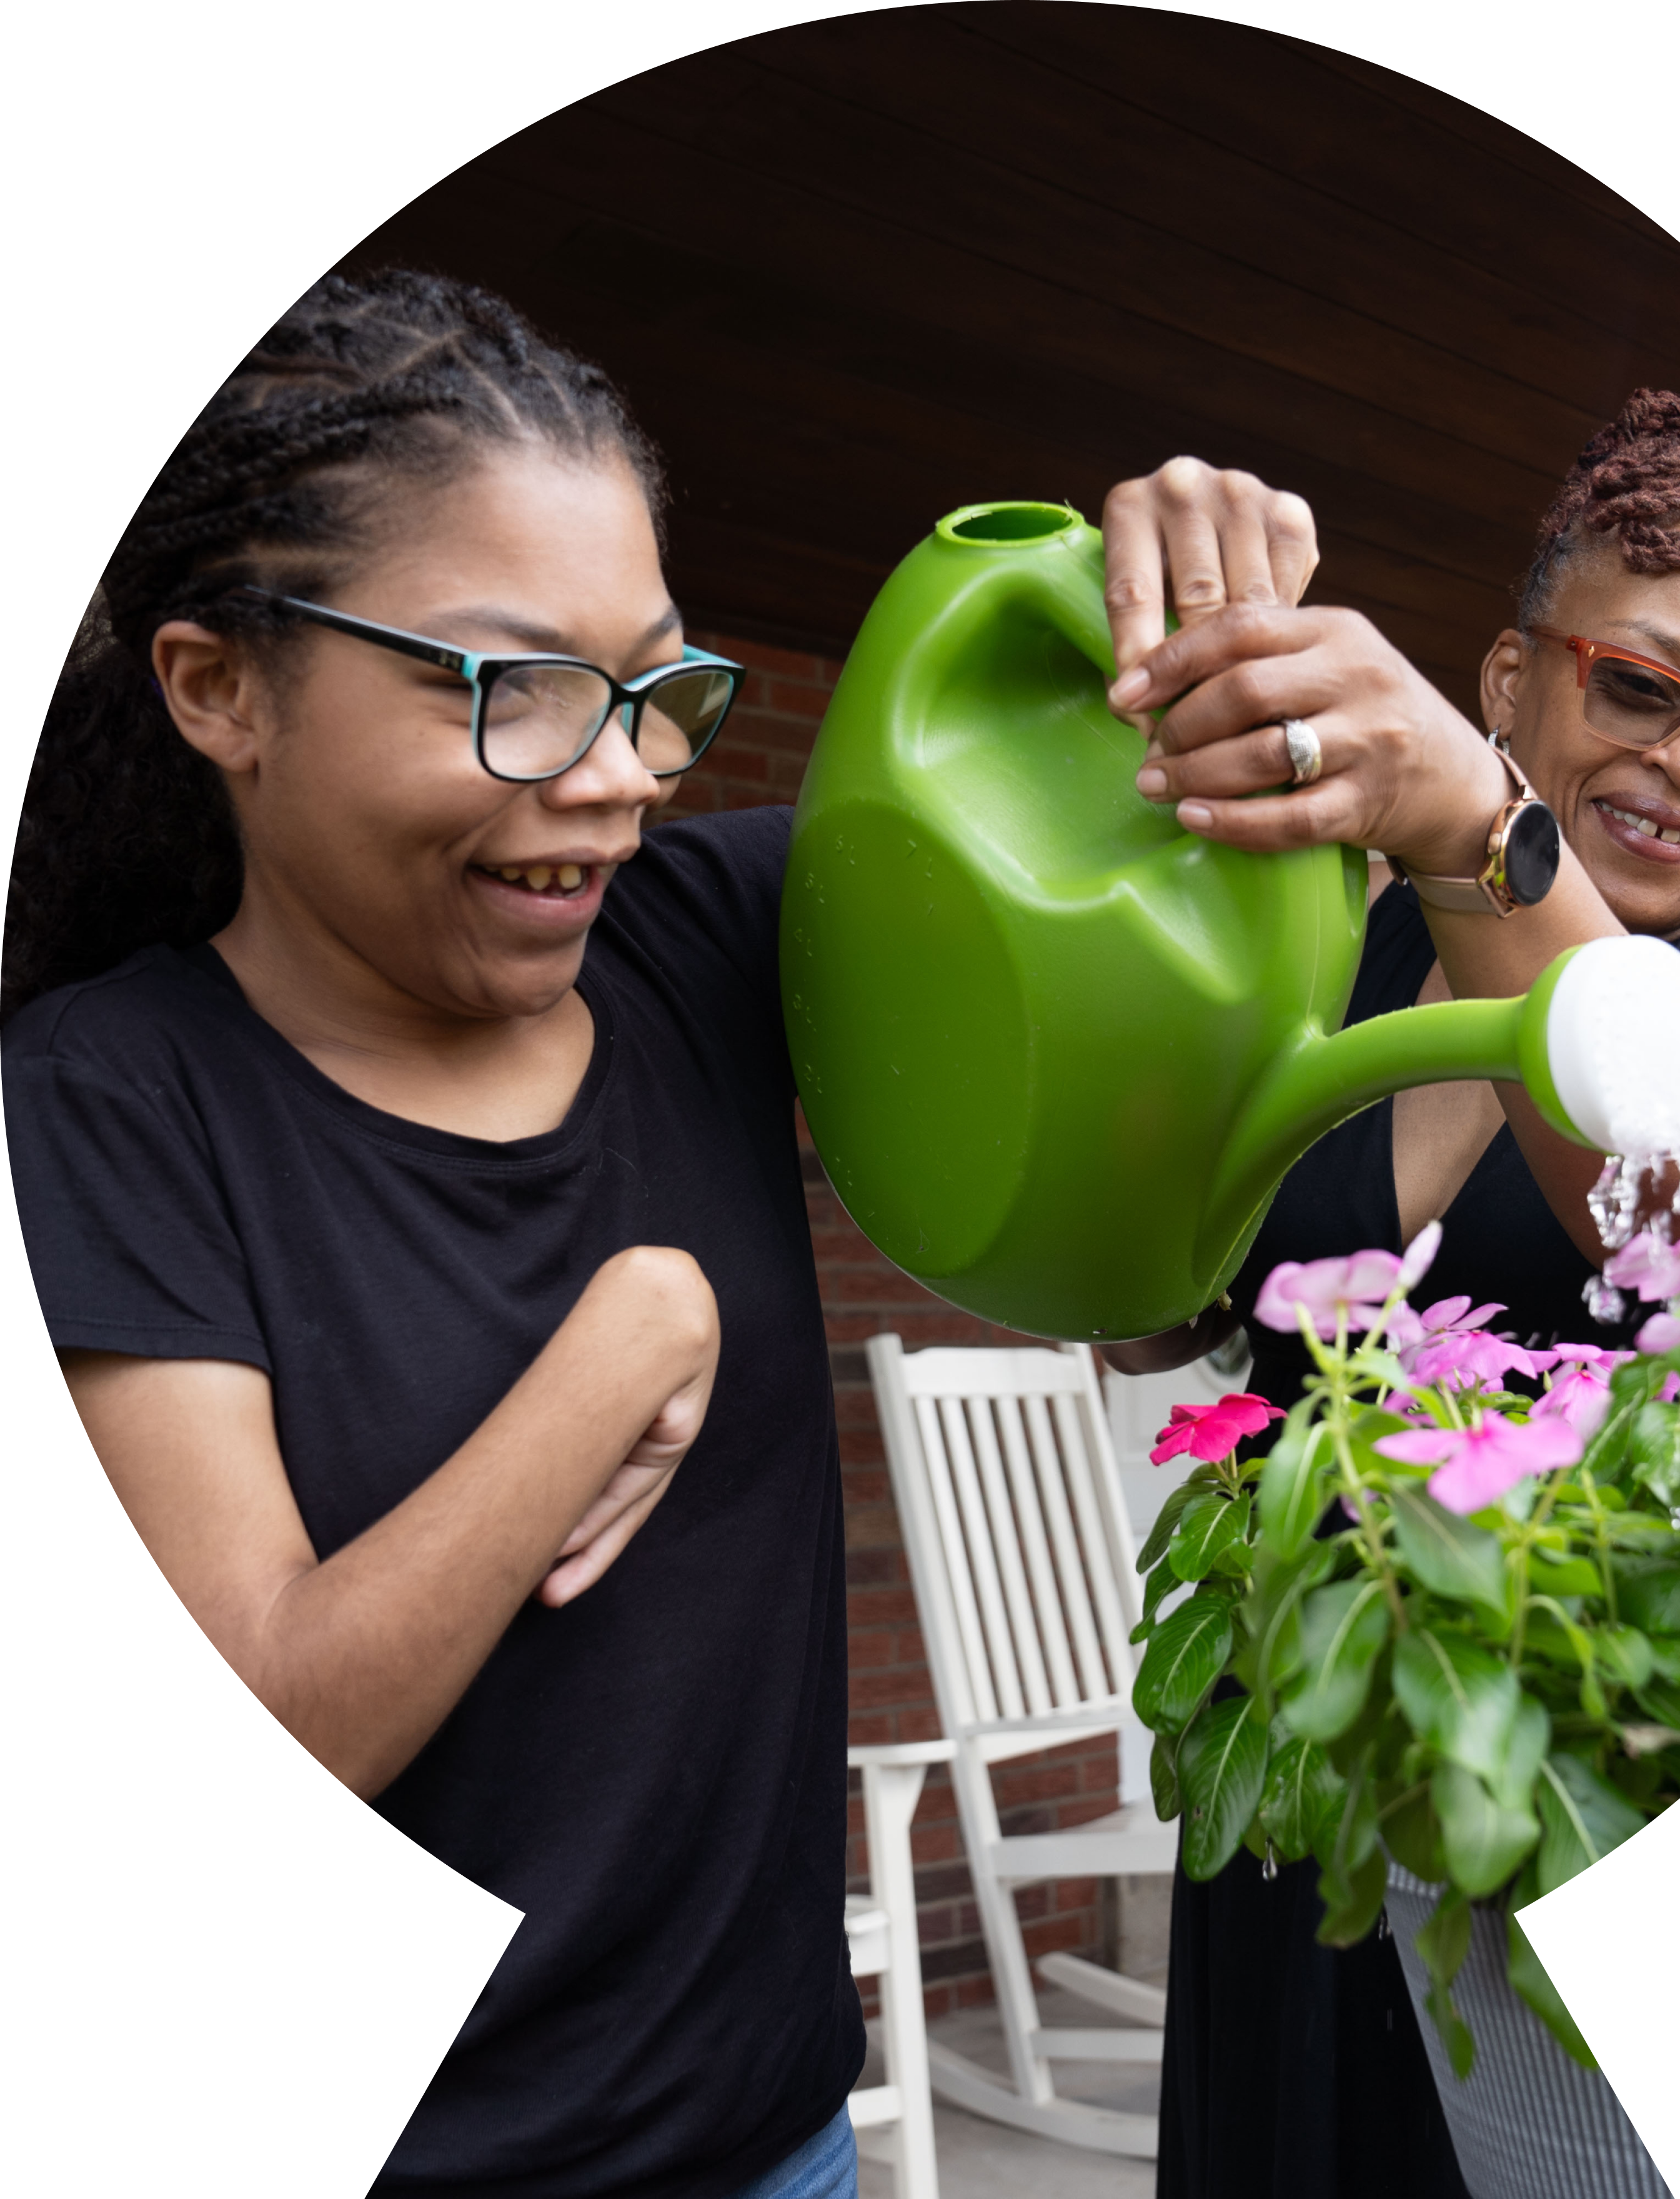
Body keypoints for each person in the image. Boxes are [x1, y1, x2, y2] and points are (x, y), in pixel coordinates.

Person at [1, 269, 1316, 2198]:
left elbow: (1118, 1184)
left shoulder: (706, 943)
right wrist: (627, 1335)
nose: (618, 778)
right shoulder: (110, 1102)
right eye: (512, 690)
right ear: (220, 690)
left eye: (649, 688)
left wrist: (1236, 657)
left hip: (786, 2136)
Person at [1101, 390, 1680, 2197]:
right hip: (1300, 1786)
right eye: (1638, 687)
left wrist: (1484, 832)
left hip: (1574, 1819)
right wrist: (1144, 668)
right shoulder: (1334, 947)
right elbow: (1146, 1314)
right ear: (1509, 675)